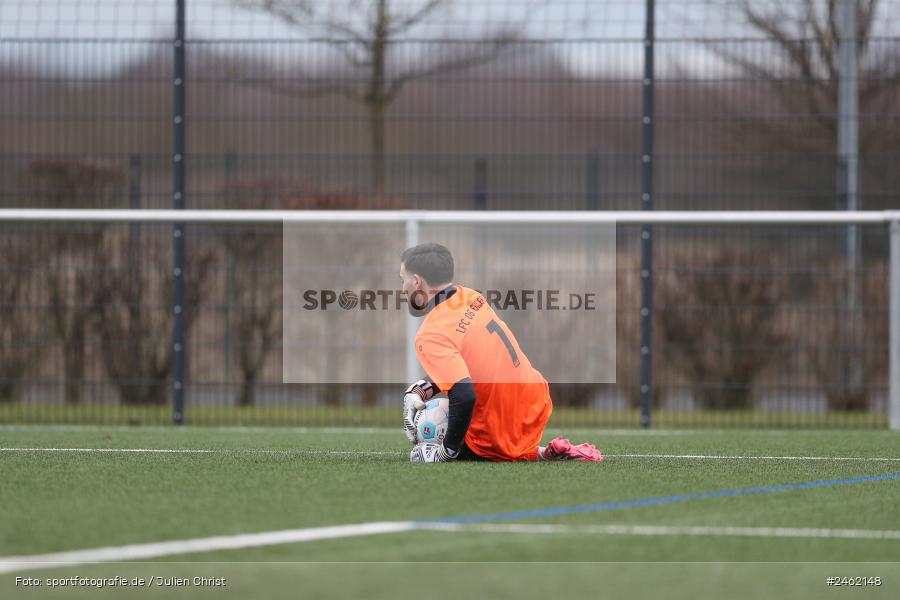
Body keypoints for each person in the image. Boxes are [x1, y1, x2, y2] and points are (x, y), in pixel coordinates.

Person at [399, 242, 602, 463]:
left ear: (417, 281)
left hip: (499, 424)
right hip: (534, 400)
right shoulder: (471, 297)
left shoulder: (430, 334)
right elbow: (470, 364)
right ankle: (546, 452)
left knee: (433, 438)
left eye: (404, 280)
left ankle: (520, 450)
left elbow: (465, 396)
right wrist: (420, 389)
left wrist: (445, 452)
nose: (403, 288)